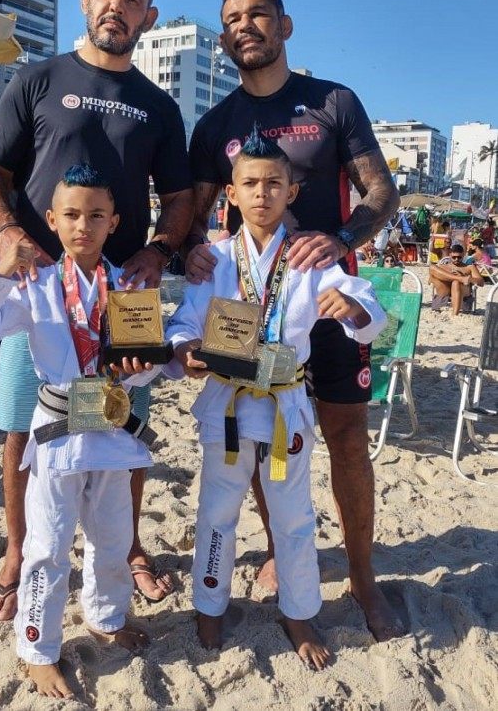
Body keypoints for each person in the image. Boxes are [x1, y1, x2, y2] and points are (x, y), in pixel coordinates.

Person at [0, 0, 193, 619]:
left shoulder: (157, 107)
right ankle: (17, 551)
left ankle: (122, 548)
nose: (116, 6)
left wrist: (158, 249)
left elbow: (179, 197)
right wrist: (9, 235)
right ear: (84, 0)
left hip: (124, 295)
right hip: (39, 288)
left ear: (147, 17)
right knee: (21, 426)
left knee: (127, 430)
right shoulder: (38, 80)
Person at [185, 0, 402, 641]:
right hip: (250, 311)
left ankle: (362, 579)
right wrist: (193, 248)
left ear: (284, 26)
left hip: (323, 303)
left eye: (258, 15)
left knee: (344, 439)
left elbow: (381, 193)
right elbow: (193, 215)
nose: (245, 26)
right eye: (232, 19)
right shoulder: (215, 123)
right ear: (222, 39)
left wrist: (337, 241)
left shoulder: (332, 102)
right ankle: (284, 551)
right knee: (255, 433)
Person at [164, 134, 385, 666]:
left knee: (292, 516)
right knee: (217, 509)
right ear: (232, 195)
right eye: (249, 184)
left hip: (287, 408)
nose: (261, 193)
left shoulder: (310, 257)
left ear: (292, 192)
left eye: (273, 184)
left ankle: (299, 611)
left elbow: (368, 307)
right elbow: (183, 322)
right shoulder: (212, 259)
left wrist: (351, 308)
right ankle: (210, 603)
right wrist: (186, 348)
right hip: (228, 405)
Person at [0, 165, 155, 698]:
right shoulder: (35, 286)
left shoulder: (130, 288)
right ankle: (38, 647)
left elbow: (155, 358)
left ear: (114, 222)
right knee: (47, 543)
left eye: (95, 215)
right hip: (58, 434)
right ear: (51, 220)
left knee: (113, 536)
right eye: (71, 215)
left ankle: (106, 616)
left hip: (112, 431)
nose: (82, 225)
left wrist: (154, 363)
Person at [430, 244, 486, 314]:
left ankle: (455, 314)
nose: (456, 259)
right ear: (450, 255)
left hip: (463, 293)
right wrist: (461, 278)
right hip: (444, 292)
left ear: (463, 255)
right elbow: (431, 278)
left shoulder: (469, 267)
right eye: (454, 257)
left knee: (456, 283)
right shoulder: (443, 267)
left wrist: (469, 279)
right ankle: (459, 279)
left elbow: (481, 282)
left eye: (459, 257)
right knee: (432, 268)